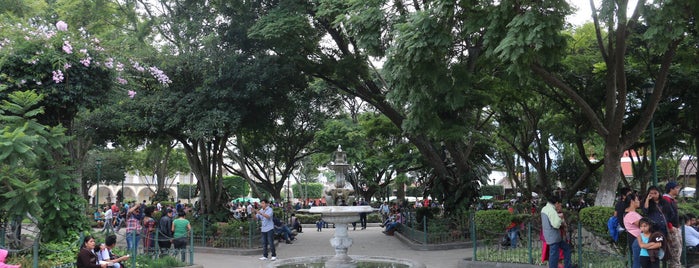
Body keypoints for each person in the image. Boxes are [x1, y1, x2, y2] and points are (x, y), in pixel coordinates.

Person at [541, 196, 571, 268]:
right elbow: (556, 224)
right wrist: (560, 219)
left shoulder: (544, 209)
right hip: (554, 236)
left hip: (550, 236)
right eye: (559, 204)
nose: (560, 206)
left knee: (566, 248)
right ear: (556, 203)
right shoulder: (551, 210)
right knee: (554, 256)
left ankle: (567, 266)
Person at [662, 182, 681, 268]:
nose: (678, 190)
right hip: (671, 228)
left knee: (678, 251)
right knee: (675, 251)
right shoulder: (666, 199)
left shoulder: (671, 200)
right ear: (671, 189)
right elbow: (665, 215)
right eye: (676, 188)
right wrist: (670, 227)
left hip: (675, 227)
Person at [624, 193, 643, 268]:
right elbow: (643, 225)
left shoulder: (633, 213)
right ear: (632, 201)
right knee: (638, 263)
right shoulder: (630, 215)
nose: (639, 201)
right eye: (637, 199)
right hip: (637, 240)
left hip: (638, 240)